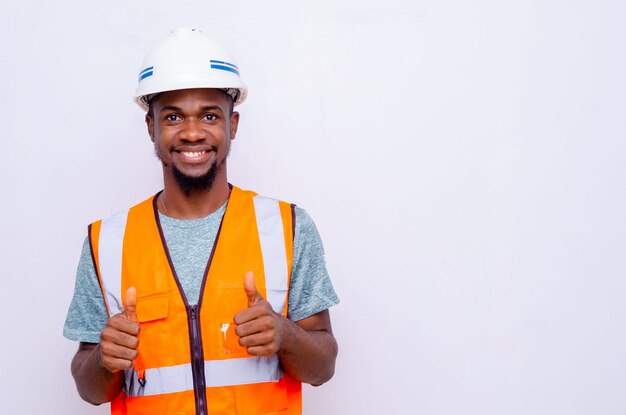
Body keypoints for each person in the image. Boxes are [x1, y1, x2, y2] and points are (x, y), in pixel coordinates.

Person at [64, 27, 339, 415]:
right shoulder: (106, 241)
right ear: (151, 127)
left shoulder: (287, 227)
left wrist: (286, 334)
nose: (192, 133)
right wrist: (104, 360)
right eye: (173, 116)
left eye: (209, 115)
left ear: (233, 124)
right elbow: (90, 389)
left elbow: (323, 366)